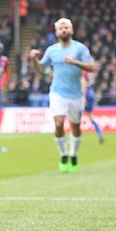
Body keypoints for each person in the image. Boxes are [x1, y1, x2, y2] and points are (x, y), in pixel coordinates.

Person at [29, 18, 95, 173]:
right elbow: (41, 70)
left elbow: (91, 67)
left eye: (66, 27)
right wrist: (34, 60)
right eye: (61, 28)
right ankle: (63, 154)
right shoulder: (52, 50)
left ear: (71, 30)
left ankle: (73, 154)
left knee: (75, 126)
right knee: (58, 124)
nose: (64, 30)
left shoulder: (80, 48)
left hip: (76, 94)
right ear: (57, 32)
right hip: (58, 93)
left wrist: (75, 62)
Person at [82, 70, 104, 144]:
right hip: (91, 92)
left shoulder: (83, 72)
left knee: (77, 116)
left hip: (86, 93)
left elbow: (84, 84)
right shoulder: (90, 71)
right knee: (91, 116)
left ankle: (76, 136)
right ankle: (100, 134)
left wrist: (84, 97)